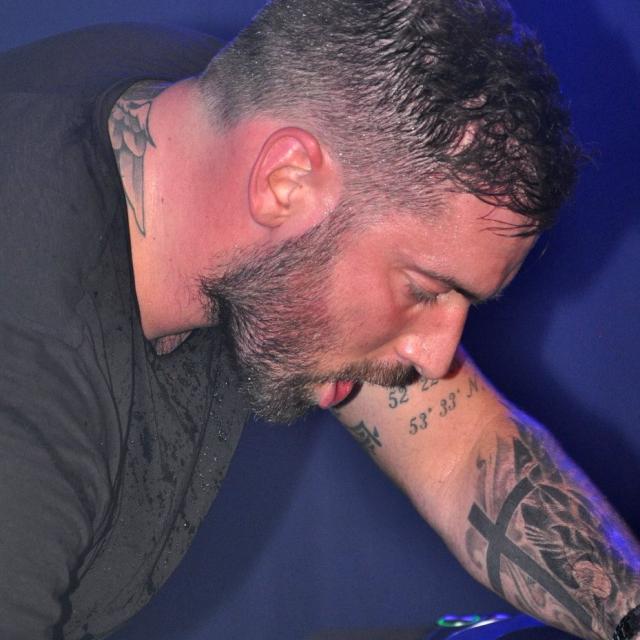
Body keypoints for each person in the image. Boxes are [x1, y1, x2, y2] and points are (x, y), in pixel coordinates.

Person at [0, 1, 638, 639]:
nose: (438, 355)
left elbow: (462, 454)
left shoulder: (221, 114)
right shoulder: (29, 384)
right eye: (423, 290)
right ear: (286, 182)